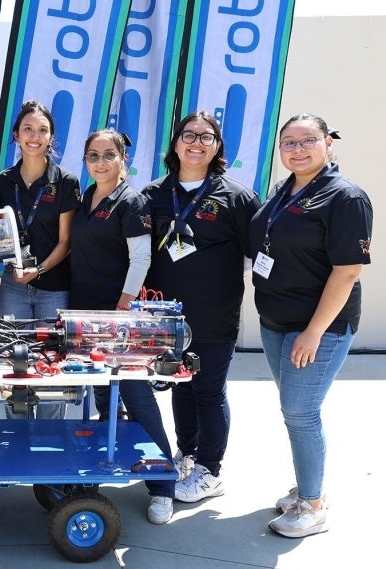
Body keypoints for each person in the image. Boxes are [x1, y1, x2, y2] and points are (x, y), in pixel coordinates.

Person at [249, 113, 372, 538]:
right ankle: (306, 486)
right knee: (295, 410)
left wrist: (314, 332)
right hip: (275, 321)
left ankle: (313, 504)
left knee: (301, 413)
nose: (297, 149)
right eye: (289, 142)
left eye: (308, 141)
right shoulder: (286, 191)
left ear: (328, 143)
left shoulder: (345, 197)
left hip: (317, 327)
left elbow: (347, 271)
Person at [142, 111, 261, 505]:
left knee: (208, 391)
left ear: (217, 147)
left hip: (213, 315)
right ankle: (187, 454)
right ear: (175, 143)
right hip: (166, 318)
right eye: (188, 135)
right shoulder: (155, 193)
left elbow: (256, 254)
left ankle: (211, 469)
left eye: (206, 137)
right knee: (181, 386)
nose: (196, 142)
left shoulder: (237, 197)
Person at [69, 128, 175, 525]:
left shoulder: (131, 201)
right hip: (86, 315)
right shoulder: (87, 199)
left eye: (108, 155)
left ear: (122, 160)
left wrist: (124, 308)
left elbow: (141, 258)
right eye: (93, 155)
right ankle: (103, 469)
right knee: (102, 398)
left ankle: (163, 484)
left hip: (117, 320)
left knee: (136, 396)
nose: (100, 162)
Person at [0, 100, 81, 419]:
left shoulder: (66, 182)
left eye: (42, 130)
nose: (34, 135)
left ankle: (48, 442)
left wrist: (39, 269)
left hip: (53, 286)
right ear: (16, 134)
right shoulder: (4, 180)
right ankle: (17, 440)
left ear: (50, 138)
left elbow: (66, 241)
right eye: (28, 129)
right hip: (13, 285)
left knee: (50, 363)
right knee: (14, 362)